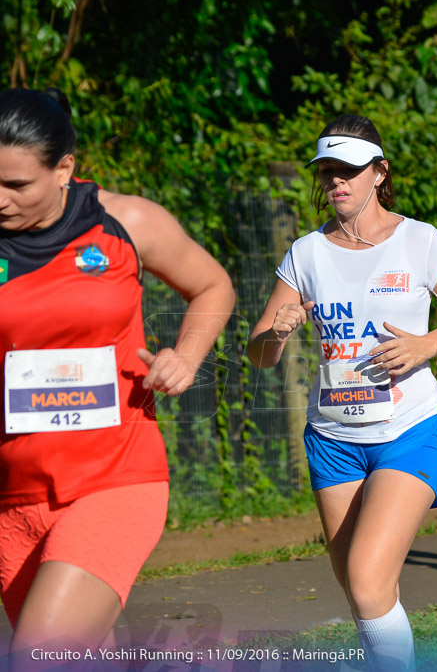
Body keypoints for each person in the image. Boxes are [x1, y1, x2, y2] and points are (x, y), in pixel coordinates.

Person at [248, 114, 437, 671]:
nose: (336, 181)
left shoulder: (419, 240)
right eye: (327, 171)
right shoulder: (305, 254)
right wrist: (277, 333)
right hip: (332, 439)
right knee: (363, 590)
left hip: (408, 430)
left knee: (365, 578)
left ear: (379, 173)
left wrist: (427, 345)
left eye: (349, 170)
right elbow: (258, 353)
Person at [0, 88, 234, 661]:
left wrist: (186, 356)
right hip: (11, 494)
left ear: (64, 169)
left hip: (114, 478)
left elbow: (212, 285)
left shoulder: (124, 222)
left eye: (17, 185)